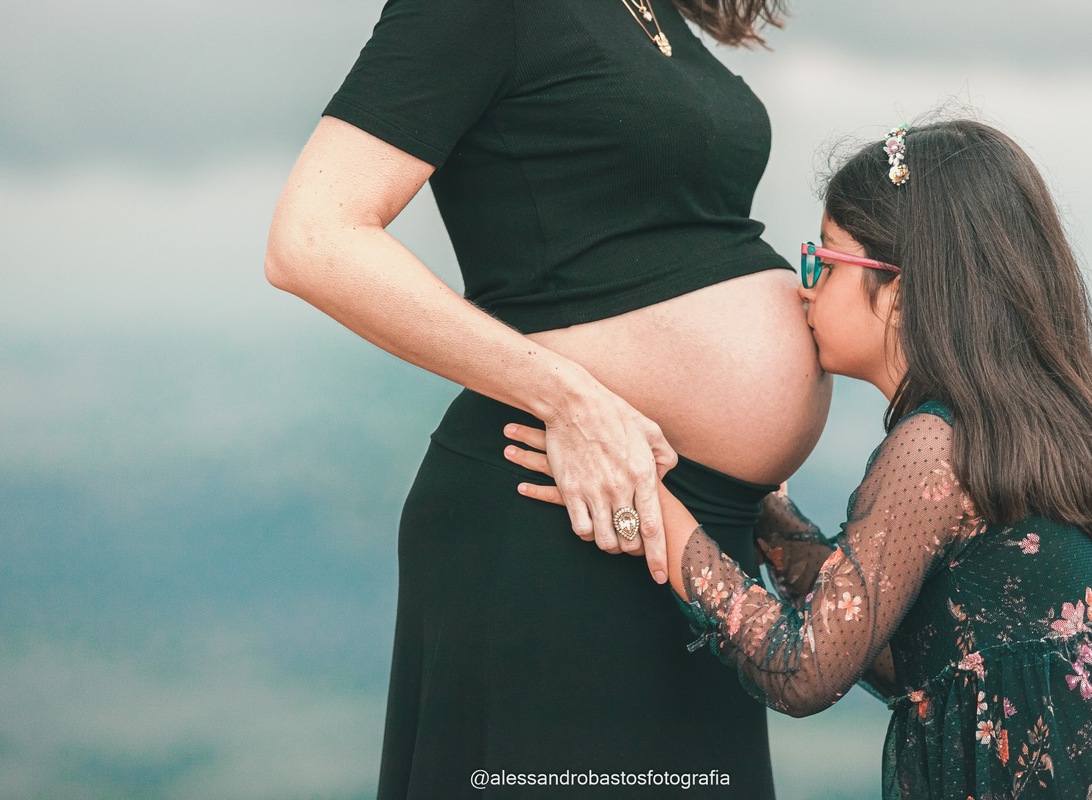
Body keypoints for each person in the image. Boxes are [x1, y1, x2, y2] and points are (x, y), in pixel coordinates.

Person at [505, 119, 1092, 798]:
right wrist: (761, 507)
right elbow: (902, 651)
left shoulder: (933, 447)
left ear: (899, 288)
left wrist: (653, 505)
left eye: (825, 259)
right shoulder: (991, 435)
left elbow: (802, 669)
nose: (805, 285)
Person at [264, 0, 823, 796]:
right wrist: (570, 400)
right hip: (557, 508)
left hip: (697, 524)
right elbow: (311, 239)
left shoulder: (650, 10)